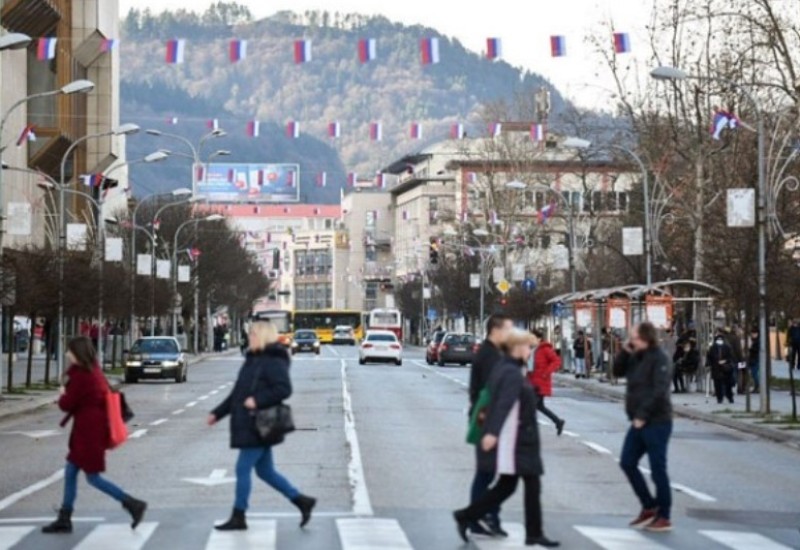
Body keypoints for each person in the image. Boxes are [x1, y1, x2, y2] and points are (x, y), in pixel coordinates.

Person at [454, 329, 560, 547]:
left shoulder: (507, 368)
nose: (530, 352)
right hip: (517, 440)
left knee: (508, 485)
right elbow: (502, 405)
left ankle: (467, 515)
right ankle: (533, 533)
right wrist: (492, 433)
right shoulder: (511, 373)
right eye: (528, 347)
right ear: (517, 348)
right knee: (529, 485)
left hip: (519, 438)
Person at [208, 321, 316, 531]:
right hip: (250, 423)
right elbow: (238, 394)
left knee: (242, 469)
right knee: (265, 471)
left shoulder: (273, 360)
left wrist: (258, 400)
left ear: (263, 337)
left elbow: (284, 389)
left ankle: (239, 515)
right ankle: (301, 501)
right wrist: (217, 413)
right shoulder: (253, 359)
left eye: (253, 335)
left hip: (258, 424)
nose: (250, 338)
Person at [42, 337, 147, 534]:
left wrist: (62, 392)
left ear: (78, 353)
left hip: (88, 435)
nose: (67, 354)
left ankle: (132, 503)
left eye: (69, 351)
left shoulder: (83, 376)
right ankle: (65, 517)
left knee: (93, 477)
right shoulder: (92, 371)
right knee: (71, 472)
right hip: (89, 432)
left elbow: (66, 404)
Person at [612, 322, 673, 533]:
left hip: (656, 421)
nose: (631, 341)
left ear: (646, 338)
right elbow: (617, 371)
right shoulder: (636, 356)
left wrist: (642, 415)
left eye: (634, 338)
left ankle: (664, 515)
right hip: (637, 420)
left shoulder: (659, 358)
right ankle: (648, 505)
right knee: (627, 462)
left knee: (657, 469)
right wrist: (624, 352)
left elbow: (659, 390)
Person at [467, 313, 513, 537]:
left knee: (490, 473)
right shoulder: (489, 356)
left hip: (488, 421)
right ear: (495, 330)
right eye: (507, 329)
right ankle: (479, 517)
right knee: (487, 473)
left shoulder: (493, 353)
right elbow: (490, 393)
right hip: (488, 422)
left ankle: (487, 516)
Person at [528, 329, 565, 436]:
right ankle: (558, 421)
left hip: (540, 383)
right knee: (540, 406)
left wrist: (546, 373)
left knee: (530, 406)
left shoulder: (545, 349)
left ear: (539, 339)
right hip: (531, 381)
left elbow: (556, 361)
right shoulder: (530, 349)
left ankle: (529, 429)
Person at [707, 333, 736, 404]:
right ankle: (719, 398)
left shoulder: (727, 347)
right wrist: (708, 364)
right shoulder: (713, 348)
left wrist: (725, 361)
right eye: (718, 340)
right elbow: (709, 357)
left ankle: (730, 397)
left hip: (726, 368)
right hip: (716, 368)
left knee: (728, 384)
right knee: (717, 385)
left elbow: (731, 357)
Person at [748, 327, 760, 393]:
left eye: (753, 333)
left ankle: (757, 387)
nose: (752, 335)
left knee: (754, 373)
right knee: (753, 373)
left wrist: (750, 348)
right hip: (752, 359)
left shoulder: (757, 341)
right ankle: (756, 386)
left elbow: (756, 349)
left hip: (755, 359)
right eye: (752, 333)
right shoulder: (753, 340)